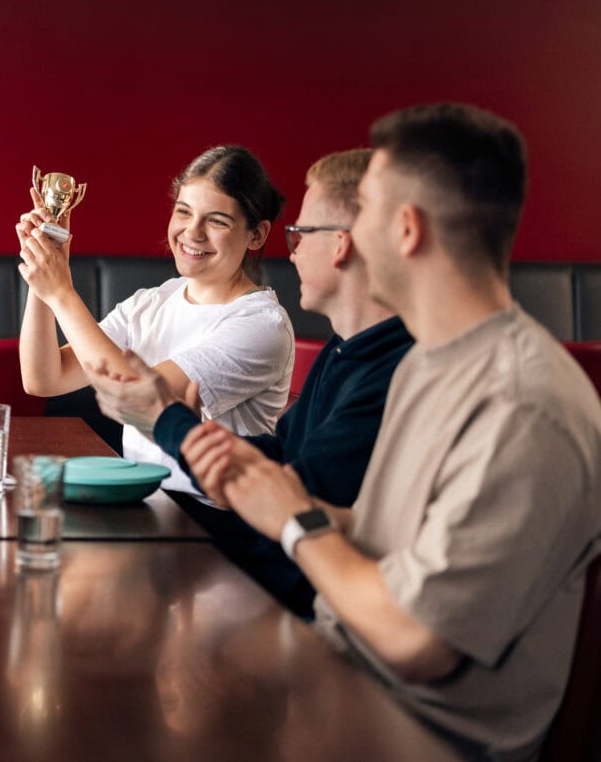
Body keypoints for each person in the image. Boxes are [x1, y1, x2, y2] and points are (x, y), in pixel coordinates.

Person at [184, 104, 601, 760]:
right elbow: (383, 531)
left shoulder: (523, 404)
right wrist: (258, 489)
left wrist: (294, 519)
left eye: (364, 212)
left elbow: (414, 641)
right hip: (340, 669)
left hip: (410, 729)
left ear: (405, 230)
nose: (337, 239)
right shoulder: (432, 362)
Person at [88, 149, 413, 617]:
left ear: (341, 244)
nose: (293, 248)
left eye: (300, 232)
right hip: (278, 574)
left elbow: (297, 505)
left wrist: (168, 422)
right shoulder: (343, 350)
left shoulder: (393, 367)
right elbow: (283, 457)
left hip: (308, 611)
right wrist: (204, 441)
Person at [17, 145, 293, 499]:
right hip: (143, 501)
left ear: (256, 234)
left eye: (217, 221)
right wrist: (43, 268)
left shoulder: (261, 325)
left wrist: (61, 293)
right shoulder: (153, 301)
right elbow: (44, 377)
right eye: (184, 212)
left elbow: (134, 398)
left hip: (211, 518)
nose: (192, 233)